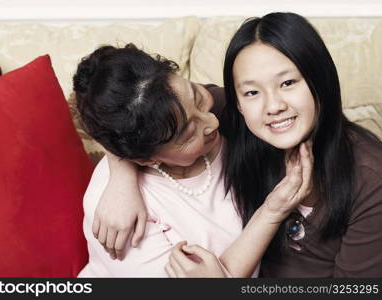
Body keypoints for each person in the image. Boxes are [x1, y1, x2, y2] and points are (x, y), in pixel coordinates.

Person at [96, 12, 382, 278]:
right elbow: (128, 112)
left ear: (320, 78)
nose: (273, 106)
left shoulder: (370, 180)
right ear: (238, 101)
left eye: (288, 83)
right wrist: (121, 177)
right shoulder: (222, 116)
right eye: (252, 91)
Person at [72, 43, 313, 277]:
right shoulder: (120, 217)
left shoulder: (223, 122)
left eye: (197, 97)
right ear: (146, 158)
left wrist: (121, 168)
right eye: (188, 133)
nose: (212, 122)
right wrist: (272, 212)